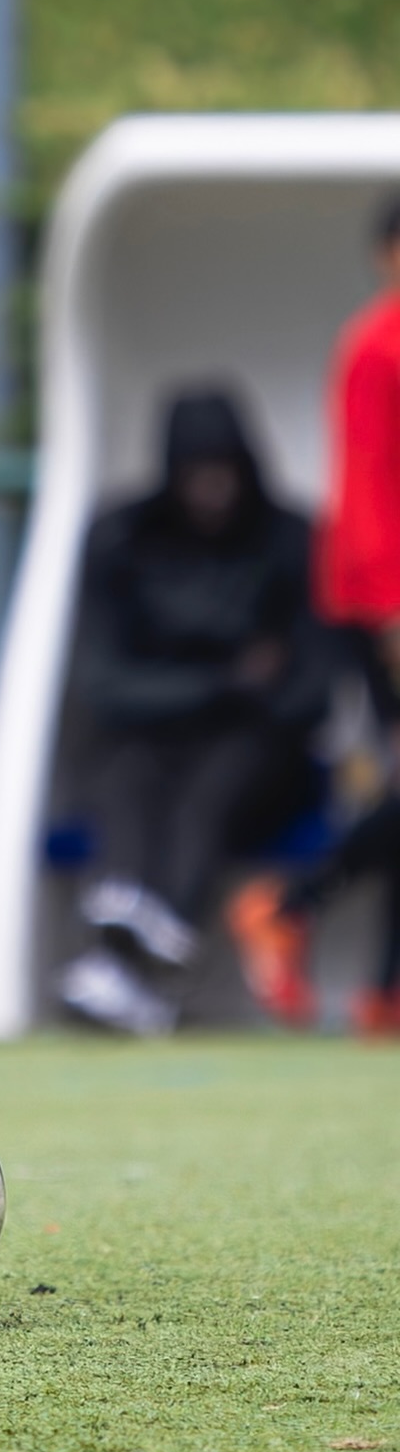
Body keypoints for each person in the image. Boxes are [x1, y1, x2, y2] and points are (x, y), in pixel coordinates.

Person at [56, 388, 331, 1036]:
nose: (212, 491)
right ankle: (129, 959)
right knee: (128, 776)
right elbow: (106, 687)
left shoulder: (290, 539)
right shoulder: (124, 536)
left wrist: (225, 696)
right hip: (148, 744)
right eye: (196, 473)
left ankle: (130, 965)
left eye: (223, 471)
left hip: (259, 758)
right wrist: (226, 681)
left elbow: (306, 696)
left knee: (210, 787)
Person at [227, 194, 400, 1034]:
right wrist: (390, 611)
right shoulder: (380, 343)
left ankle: (381, 989)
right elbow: (367, 490)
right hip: (383, 600)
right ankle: (289, 905)